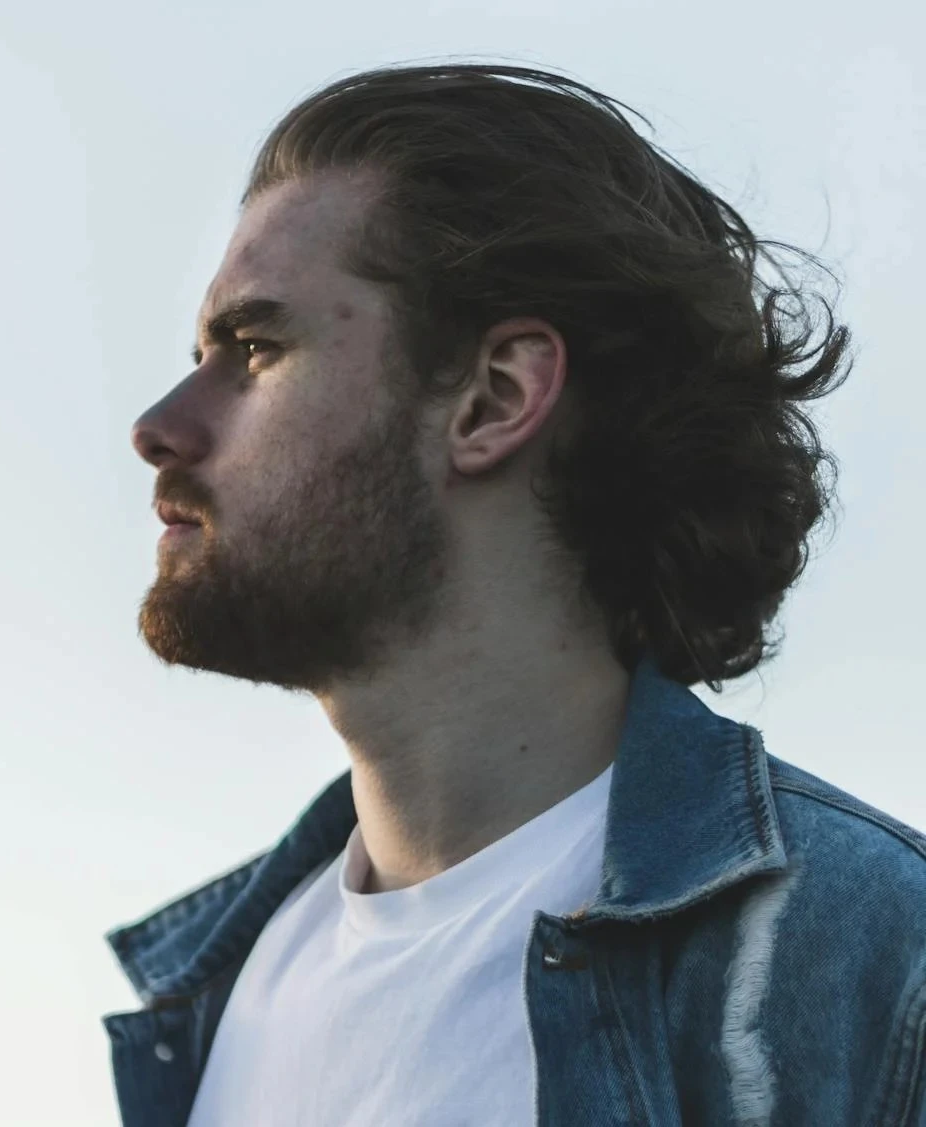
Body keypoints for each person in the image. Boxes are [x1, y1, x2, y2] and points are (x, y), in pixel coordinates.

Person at [103, 63, 926, 1126]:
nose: (159, 424)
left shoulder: (871, 960)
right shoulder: (214, 996)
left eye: (255, 349)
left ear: (493, 398)